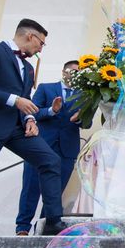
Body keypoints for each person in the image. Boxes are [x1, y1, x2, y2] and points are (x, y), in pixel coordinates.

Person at [0, 19, 66, 236]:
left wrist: (29, 120)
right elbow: (18, 99)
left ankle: (53, 221)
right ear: (30, 36)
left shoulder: (28, 68)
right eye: (41, 43)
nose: (40, 48)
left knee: (50, 159)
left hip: (17, 128)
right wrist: (13, 100)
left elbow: (25, 99)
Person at [16, 60, 86, 235]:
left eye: (79, 73)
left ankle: (44, 227)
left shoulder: (83, 96)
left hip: (66, 151)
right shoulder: (46, 88)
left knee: (54, 193)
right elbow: (31, 111)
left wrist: (78, 118)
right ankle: (22, 228)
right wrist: (52, 111)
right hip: (39, 147)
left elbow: (87, 122)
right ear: (64, 72)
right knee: (30, 189)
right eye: (72, 71)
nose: (75, 75)